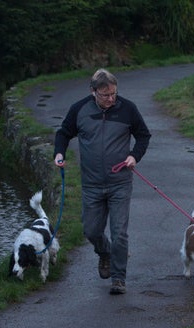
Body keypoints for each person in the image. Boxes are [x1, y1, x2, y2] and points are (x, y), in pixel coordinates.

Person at [53, 68, 151, 295]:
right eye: (105, 95)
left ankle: (118, 278)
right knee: (91, 231)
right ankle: (105, 253)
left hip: (120, 182)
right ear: (93, 91)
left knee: (120, 233)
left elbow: (143, 135)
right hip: (92, 184)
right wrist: (60, 154)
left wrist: (134, 156)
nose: (111, 99)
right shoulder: (79, 109)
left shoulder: (128, 109)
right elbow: (63, 133)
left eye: (114, 94)